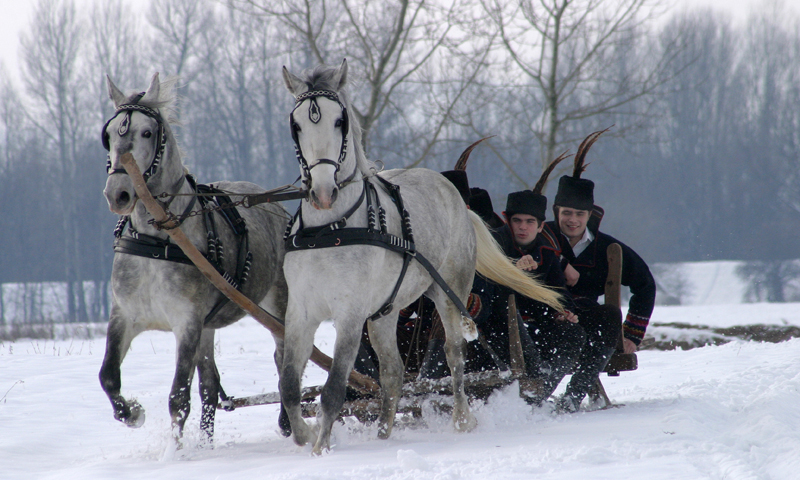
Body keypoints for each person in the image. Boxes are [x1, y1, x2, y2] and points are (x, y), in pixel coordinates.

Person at [546, 130, 657, 412]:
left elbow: (645, 284)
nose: (572, 220)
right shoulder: (541, 237)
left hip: (586, 317)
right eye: (567, 213)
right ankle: (536, 397)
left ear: (589, 215)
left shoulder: (606, 248)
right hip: (545, 314)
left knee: (608, 316)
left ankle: (572, 399)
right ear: (557, 210)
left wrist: (631, 335)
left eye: (579, 215)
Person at [484, 156, 585, 406]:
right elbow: (483, 286)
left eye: (530, 222)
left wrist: (564, 311)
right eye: (517, 221)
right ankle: (533, 384)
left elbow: (558, 291)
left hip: (537, 324)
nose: (522, 227)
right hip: (498, 329)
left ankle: (538, 394)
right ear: (508, 221)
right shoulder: (492, 245)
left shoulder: (547, 253)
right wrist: (511, 272)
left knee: (574, 334)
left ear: (540, 227)